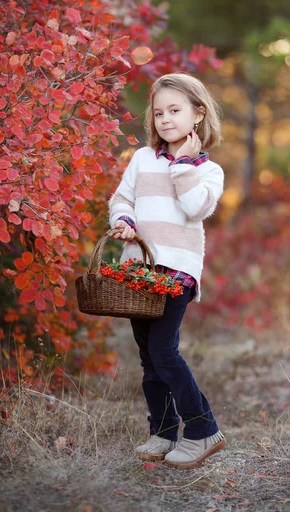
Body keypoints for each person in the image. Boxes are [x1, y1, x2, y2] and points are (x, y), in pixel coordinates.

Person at [108, 72, 226, 469]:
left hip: (176, 272)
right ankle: (161, 431)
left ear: (197, 114)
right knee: (148, 357)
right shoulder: (142, 159)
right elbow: (122, 198)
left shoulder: (209, 171)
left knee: (164, 351)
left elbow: (195, 207)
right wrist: (125, 220)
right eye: (158, 112)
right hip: (138, 274)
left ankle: (201, 430)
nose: (164, 119)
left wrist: (183, 165)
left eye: (174, 110)